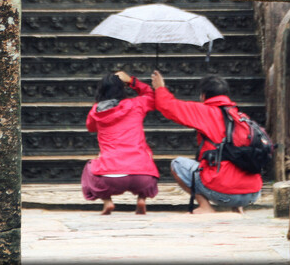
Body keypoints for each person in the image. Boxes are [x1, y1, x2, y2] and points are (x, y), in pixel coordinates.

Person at [151, 70, 262, 214]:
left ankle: (205, 206)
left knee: (177, 164)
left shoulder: (205, 112)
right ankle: (237, 207)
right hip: (253, 194)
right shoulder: (241, 117)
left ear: (203, 95)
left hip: (223, 193)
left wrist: (160, 87)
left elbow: (168, 106)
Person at [82, 70, 159, 215]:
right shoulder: (137, 104)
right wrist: (132, 81)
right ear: (122, 89)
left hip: (110, 176)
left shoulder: (96, 111)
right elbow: (153, 96)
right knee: (147, 159)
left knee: (89, 167)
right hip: (142, 176)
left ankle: (107, 201)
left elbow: (91, 127)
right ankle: (142, 198)